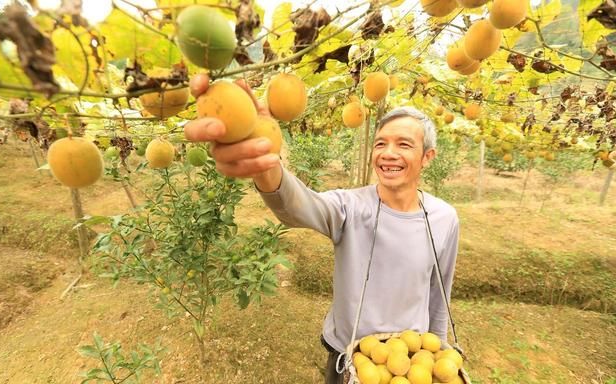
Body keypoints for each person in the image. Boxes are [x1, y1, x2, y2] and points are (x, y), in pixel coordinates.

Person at [184, 74, 460, 383]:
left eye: (404, 145)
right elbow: (297, 207)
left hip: (410, 362)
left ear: (427, 158)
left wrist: (439, 352)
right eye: (380, 143)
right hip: (349, 355)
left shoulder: (444, 218)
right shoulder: (350, 207)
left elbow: (440, 292)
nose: (388, 153)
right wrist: (266, 162)